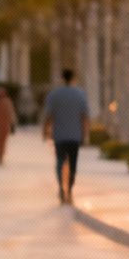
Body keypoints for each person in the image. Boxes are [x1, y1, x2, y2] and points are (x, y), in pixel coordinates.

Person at [41, 68, 91, 205]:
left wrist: (45, 131)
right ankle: (69, 189)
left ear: (62, 78)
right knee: (73, 164)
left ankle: (61, 188)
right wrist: (86, 134)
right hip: (75, 136)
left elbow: (48, 116)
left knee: (59, 161)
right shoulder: (80, 94)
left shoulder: (54, 95)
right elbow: (85, 117)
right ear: (73, 78)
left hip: (59, 135)